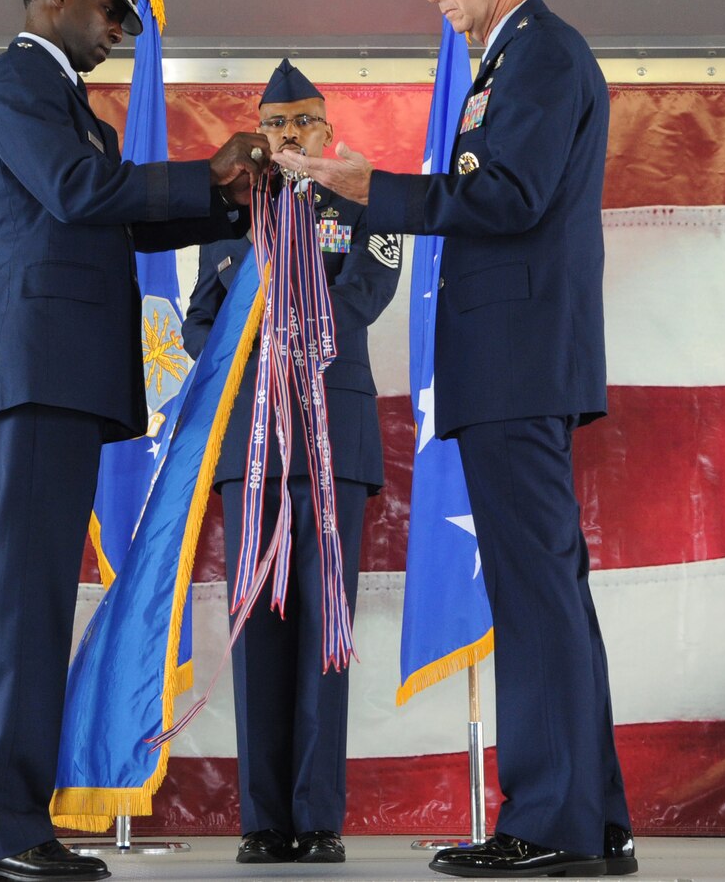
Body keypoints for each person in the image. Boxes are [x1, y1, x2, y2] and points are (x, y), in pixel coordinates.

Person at [275, 0, 636, 879]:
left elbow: (505, 197)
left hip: (517, 359)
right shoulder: (514, 58)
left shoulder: (542, 54)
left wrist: (362, 183)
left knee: (531, 592)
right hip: (511, 358)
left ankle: (551, 821)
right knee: (546, 587)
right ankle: (590, 818)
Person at [0, 0, 271, 882]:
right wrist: (210, 171)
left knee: (33, 603)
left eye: (128, 15)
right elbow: (80, 192)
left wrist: (240, 206)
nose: (123, 28)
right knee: (22, 608)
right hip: (36, 373)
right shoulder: (16, 85)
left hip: (61, 377)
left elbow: (120, 215)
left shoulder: (69, 103)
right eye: (111, 9)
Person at [182, 60, 402, 866]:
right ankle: (263, 819)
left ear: (325, 130)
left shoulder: (358, 200)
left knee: (324, 635)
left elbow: (365, 294)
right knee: (257, 636)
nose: (285, 139)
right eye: (272, 127)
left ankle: (318, 817)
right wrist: (245, 346)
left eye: (299, 124)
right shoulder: (230, 218)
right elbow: (198, 324)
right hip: (251, 450)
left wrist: (279, 326)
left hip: (330, 446)